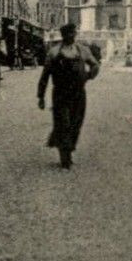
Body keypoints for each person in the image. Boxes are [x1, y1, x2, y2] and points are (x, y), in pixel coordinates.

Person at [37, 23, 99, 168]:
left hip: (78, 93)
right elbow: (45, 75)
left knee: (76, 123)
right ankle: (65, 156)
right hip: (60, 94)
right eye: (68, 34)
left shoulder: (82, 50)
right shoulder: (54, 52)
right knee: (63, 124)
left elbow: (95, 65)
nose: (71, 36)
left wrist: (88, 76)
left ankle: (68, 149)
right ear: (63, 35)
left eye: (73, 33)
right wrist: (40, 96)